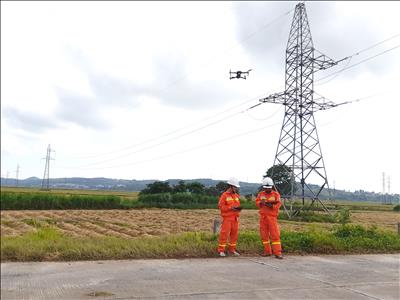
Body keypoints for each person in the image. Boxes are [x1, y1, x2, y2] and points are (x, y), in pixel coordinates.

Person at [255, 177, 283, 259]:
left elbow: (278, 205)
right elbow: (257, 202)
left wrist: (271, 206)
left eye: (269, 188)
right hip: (263, 218)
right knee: (264, 235)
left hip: (272, 218)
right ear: (264, 187)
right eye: (266, 188)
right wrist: (261, 203)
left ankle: (277, 253)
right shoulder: (261, 194)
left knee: (275, 235)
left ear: (272, 187)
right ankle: (267, 251)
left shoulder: (276, 194)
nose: (268, 189)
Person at [217, 177, 242, 257]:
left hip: (235, 218)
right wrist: (230, 208)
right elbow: (221, 207)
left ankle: (232, 250)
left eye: (236, 187)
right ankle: (221, 250)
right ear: (230, 186)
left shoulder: (236, 196)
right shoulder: (224, 195)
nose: (236, 188)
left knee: (234, 235)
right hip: (227, 218)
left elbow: (238, 206)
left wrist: (238, 209)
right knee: (224, 234)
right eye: (235, 187)